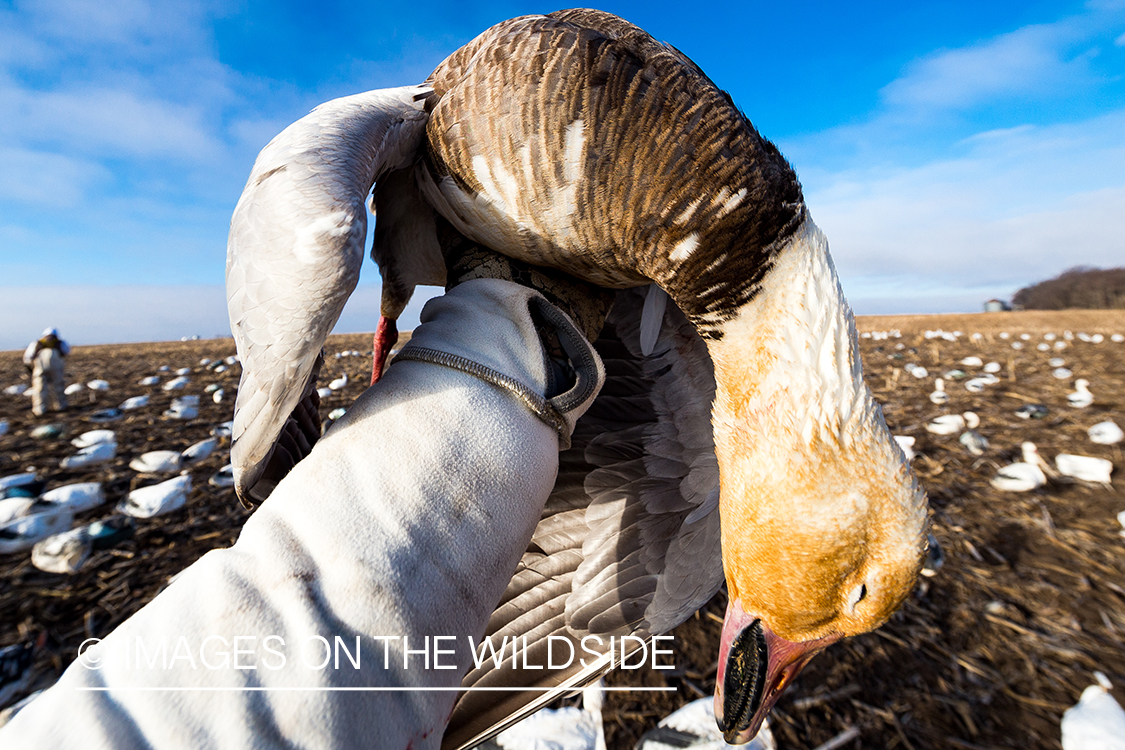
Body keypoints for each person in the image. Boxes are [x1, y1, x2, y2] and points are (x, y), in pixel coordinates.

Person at [22, 327, 70, 416]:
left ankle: (39, 409)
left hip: (40, 369)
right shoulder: (60, 343)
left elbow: (28, 357)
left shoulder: (37, 343)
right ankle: (61, 406)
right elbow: (66, 352)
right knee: (58, 387)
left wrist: (29, 367)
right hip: (56, 369)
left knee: (39, 389)